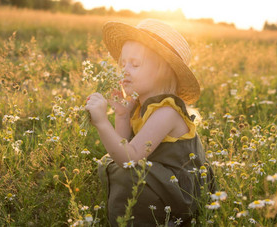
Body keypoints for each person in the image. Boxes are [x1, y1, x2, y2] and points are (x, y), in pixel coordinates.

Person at [85, 19, 215, 226]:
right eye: (123, 64)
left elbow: (130, 158)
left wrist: (102, 122)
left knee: (126, 173)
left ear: (163, 71)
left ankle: (164, 220)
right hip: (159, 178)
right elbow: (122, 146)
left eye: (135, 64)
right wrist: (122, 116)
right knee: (113, 165)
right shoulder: (139, 105)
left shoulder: (166, 111)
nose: (125, 70)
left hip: (179, 190)